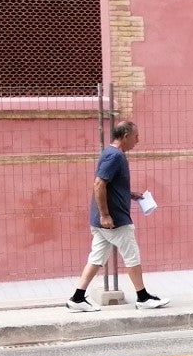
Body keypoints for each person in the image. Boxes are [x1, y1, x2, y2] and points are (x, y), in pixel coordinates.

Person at [66, 120, 170, 311]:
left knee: (96, 257)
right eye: (136, 136)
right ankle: (143, 297)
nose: (138, 141)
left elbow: (110, 185)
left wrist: (131, 195)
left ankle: (77, 298)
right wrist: (106, 215)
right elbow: (99, 184)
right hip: (115, 221)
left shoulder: (111, 153)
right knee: (132, 256)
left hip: (101, 221)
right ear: (125, 136)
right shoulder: (115, 156)